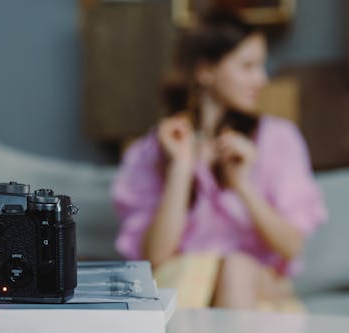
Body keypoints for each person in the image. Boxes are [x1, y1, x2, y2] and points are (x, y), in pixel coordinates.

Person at [112, 8, 326, 309]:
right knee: (187, 275)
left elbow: (291, 247)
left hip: (257, 290)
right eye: (248, 66)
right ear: (206, 71)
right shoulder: (156, 148)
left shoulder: (278, 139)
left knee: (235, 268)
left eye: (261, 65)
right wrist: (181, 168)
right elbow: (155, 259)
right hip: (185, 290)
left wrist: (241, 184)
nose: (261, 79)